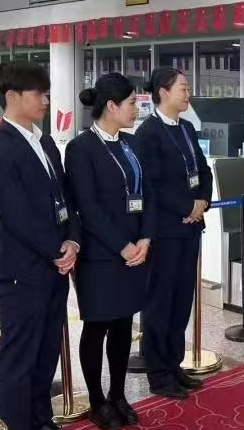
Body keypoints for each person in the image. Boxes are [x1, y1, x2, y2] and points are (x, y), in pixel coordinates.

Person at [0, 61, 80, 430]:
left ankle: (41, 419)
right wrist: (56, 250)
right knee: (20, 358)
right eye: (38, 93)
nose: (45, 100)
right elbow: (15, 213)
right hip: (22, 269)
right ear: (12, 96)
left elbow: (66, 198)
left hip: (55, 264)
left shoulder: (45, 141)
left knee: (46, 352)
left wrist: (72, 240)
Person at [64, 73, 154, 429]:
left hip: (135, 251)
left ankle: (118, 395)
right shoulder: (81, 148)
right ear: (112, 106)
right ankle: (97, 401)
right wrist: (122, 246)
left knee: (123, 326)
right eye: (132, 103)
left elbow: (148, 194)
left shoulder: (131, 144)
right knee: (97, 326)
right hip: (101, 255)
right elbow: (87, 207)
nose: (137, 109)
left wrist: (145, 239)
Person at [135, 67, 212, 399]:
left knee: (181, 302)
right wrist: (186, 206)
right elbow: (152, 185)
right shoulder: (147, 133)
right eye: (183, 87)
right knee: (160, 303)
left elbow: (203, 170)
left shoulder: (187, 128)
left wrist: (202, 201)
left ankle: (174, 364)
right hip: (165, 231)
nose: (188, 93)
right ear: (163, 92)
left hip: (190, 228)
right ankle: (158, 373)